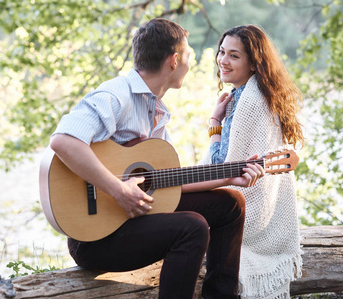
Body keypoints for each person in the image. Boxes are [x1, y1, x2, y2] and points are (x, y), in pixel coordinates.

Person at [49, 18, 265, 299]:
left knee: (230, 204)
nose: (194, 61)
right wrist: (118, 189)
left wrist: (226, 177)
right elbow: (63, 140)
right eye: (189, 55)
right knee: (192, 227)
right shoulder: (116, 96)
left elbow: (165, 184)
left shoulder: (156, 110)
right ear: (174, 61)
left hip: (133, 219)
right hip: (96, 237)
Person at [200, 24, 305, 299]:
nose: (223, 60)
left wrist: (214, 125)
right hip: (258, 206)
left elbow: (221, 167)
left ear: (253, 63)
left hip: (245, 211)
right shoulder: (262, 92)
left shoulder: (248, 100)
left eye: (234, 56)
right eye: (222, 52)